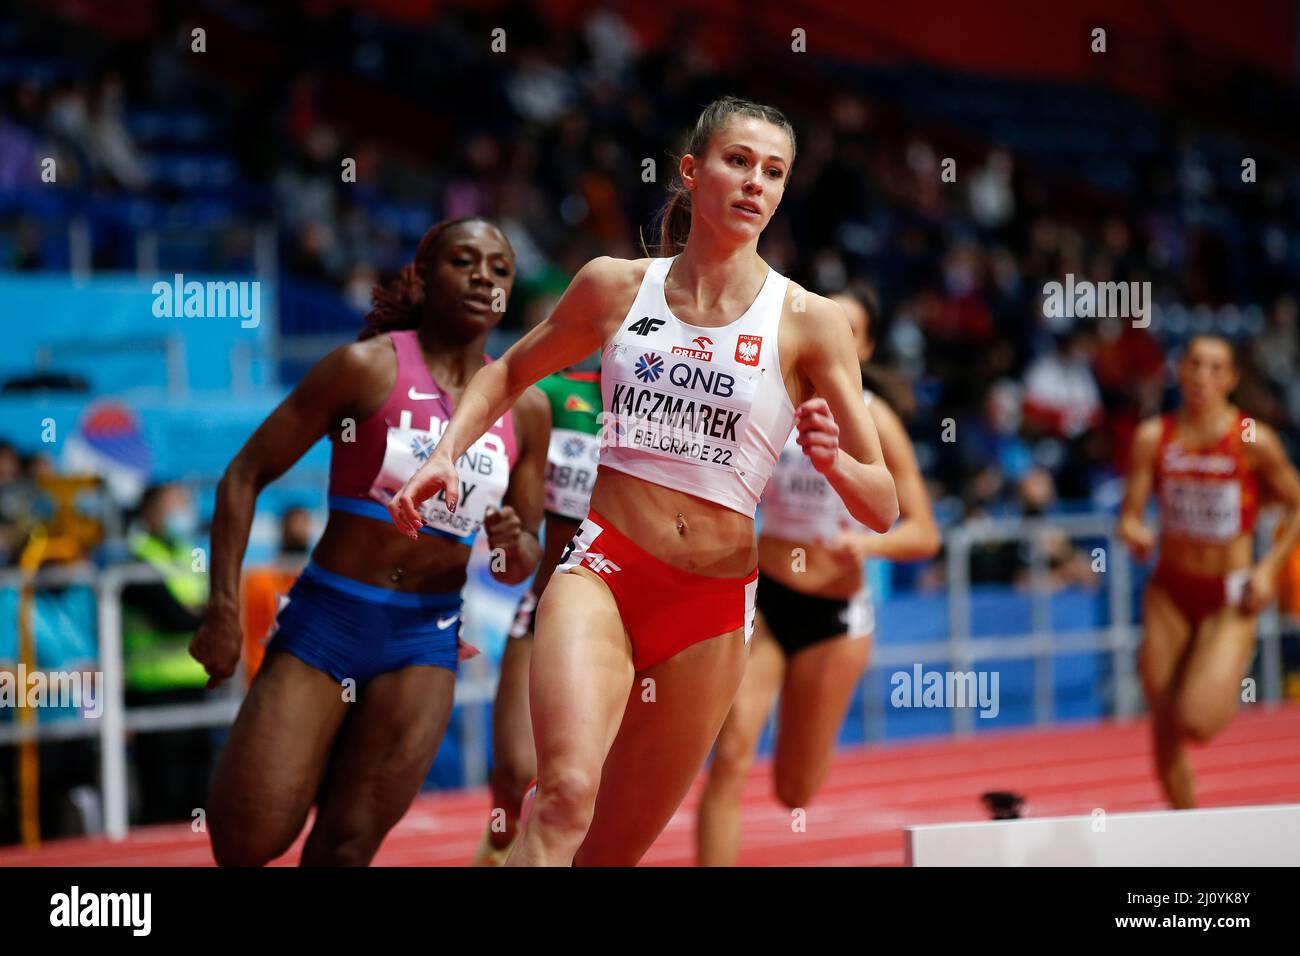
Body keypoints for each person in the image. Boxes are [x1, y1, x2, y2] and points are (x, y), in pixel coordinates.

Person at [389, 96, 899, 866]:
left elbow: (884, 503)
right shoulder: (617, 287)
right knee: (561, 797)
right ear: (692, 173)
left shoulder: (811, 321)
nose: (754, 182)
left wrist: (835, 462)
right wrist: (443, 453)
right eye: (737, 161)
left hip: (712, 608)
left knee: (608, 854)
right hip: (603, 571)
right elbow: (505, 376)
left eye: (774, 172)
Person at [189, 218, 549, 865]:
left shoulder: (524, 406)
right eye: (463, 262)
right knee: (246, 839)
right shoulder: (365, 368)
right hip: (327, 621)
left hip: (423, 637)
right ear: (424, 276)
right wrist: (221, 609)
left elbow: (521, 558)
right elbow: (244, 475)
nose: (483, 278)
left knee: (348, 847)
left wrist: (511, 537)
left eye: (498, 269)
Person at [695, 287, 939, 866]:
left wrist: (863, 542)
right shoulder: (769, 399)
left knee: (794, 789)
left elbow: (924, 533)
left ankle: (804, 759)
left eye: (848, 332)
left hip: (834, 620)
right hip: (767, 603)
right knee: (728, 756)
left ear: (866, 347)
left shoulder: (875, 419)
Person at [1117, 334, 1300, 808]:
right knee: (1161, 712)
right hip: (1170, 591)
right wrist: (1134, 530)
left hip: (1231, 595)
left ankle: (1221, 672)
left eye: (1216, 368)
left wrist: (1269, 569)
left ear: (1232, 379)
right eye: (1194, 364)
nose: (1203, 376)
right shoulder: (1153, 437)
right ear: (1180, 371)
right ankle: (1187, 824)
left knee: (1195, 720)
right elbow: (1130, 513)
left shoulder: (1251, 439)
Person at [472, 363, 602, 866]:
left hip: (633, 613)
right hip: (550, 599)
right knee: (514, 772)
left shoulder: (664, 402)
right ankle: (497, 850)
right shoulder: (547, 395)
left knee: (586, 791)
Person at [120, 482, 214, 825]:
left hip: (194, 685)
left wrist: (200, 611)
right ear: (149, 511)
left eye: (184, 503)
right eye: (173, 504)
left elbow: (212, 608)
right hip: (152, 690)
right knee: (162, 793)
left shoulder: (188, 554)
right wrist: (201, 613)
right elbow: (173, 617)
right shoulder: (135, 555)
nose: (181, 511)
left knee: (197, 791)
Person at [239, 507, 315, 686]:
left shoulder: (317, 579)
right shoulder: (258, 581)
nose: (300, 532)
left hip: (305, 677)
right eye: (295, 527)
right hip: (265, 673)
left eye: (303, 526)